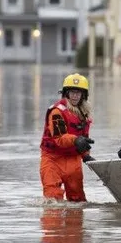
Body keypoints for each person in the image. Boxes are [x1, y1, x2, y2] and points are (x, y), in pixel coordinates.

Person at [39, 73, 95, 202]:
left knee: (77, 200)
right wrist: (75, 140)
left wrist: (86, 155)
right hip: (52, 159)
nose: (75, 95)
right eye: (72, 92)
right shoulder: (56, 112)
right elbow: (59, 138)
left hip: (73, 159)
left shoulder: (84, 114)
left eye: (78, 93)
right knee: (52, 200)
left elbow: (84, 139)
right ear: (66, 93)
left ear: (83, 95)